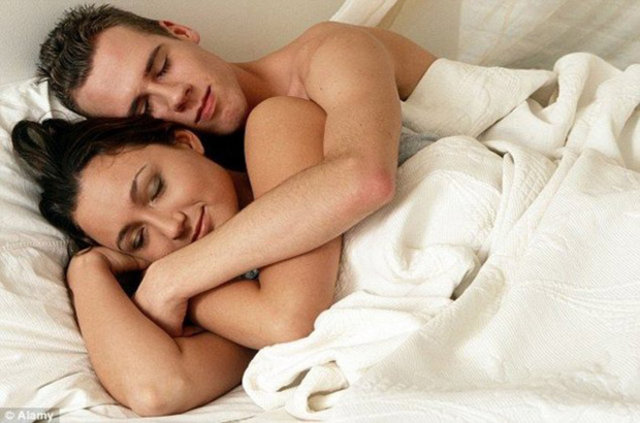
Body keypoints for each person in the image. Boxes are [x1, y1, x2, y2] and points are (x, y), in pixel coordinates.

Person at [38, 4, 438, 336]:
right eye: (144, 108)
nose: (175, 97)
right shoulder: (213, 189)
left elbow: (364, 178)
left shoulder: (329, 51)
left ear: (179, 32)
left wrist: (171, 278)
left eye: (161, 67)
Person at [12, 96, 339, 416]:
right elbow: (157, 391)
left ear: (185, 142)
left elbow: (289, 318)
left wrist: (171, 278)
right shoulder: (201, 298)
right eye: (138, 238)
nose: (172, 226)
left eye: (155, 189)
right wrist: (87, 269)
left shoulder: (276, 124)